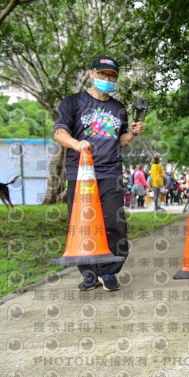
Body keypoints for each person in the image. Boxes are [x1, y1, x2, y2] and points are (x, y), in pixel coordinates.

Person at [53, 55, 143, 292]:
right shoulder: (73, 102)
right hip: (81, 174)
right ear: (91, 74)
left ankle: (110, 270)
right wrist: (77, 144)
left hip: (110, 172)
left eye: (112, 76)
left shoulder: (118, 108)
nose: (107, 79)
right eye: (102, 74)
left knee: (116, 224)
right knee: (83, 225)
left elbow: (120, 139)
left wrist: (133, 132)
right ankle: (89, 273)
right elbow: (59, 132)